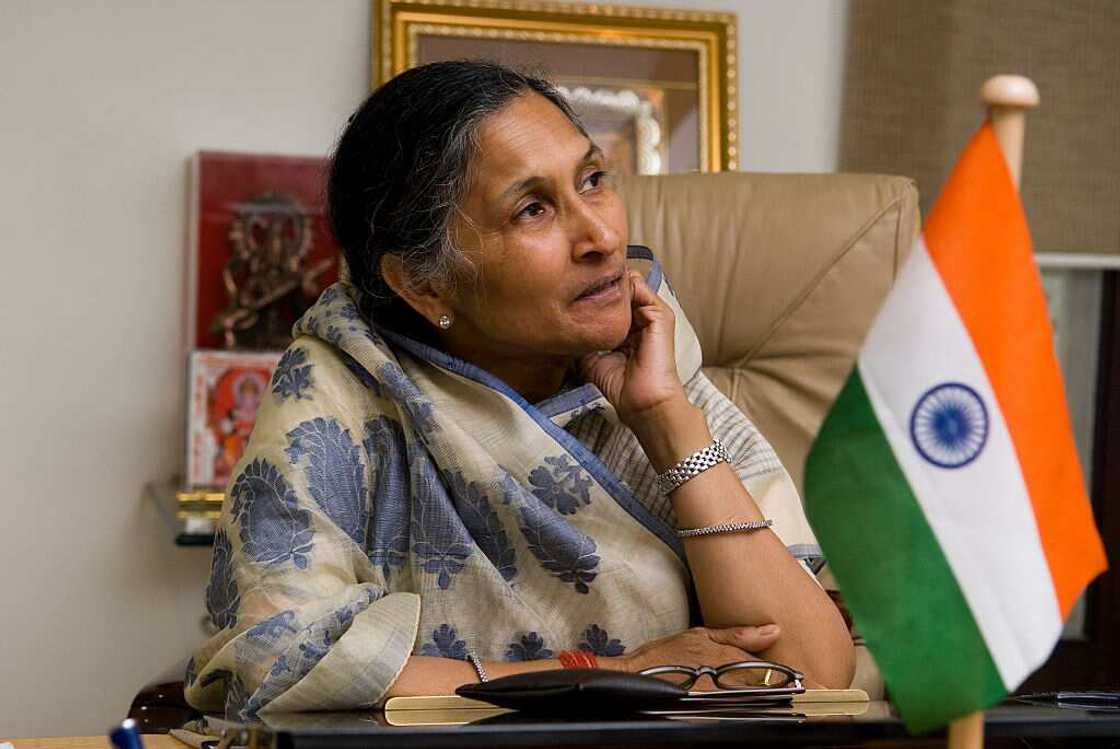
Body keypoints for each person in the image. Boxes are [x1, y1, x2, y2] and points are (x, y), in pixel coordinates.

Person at [185, 60, 854, 719]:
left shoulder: (654, 362)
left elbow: (811, 672)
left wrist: (666, 419)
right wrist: (606, 677)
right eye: (533, 209)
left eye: (593, 179)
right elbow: (275, 661)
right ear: (425, 284)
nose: (602, 235)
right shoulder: (342, 385)